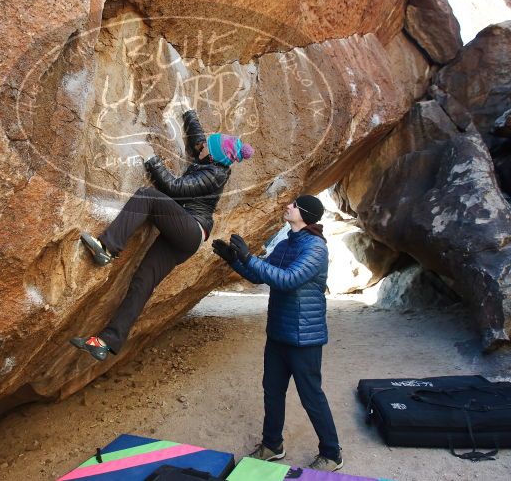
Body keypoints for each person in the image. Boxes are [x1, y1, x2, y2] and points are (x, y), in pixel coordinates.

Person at [70, 109, 254, 361]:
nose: (202, 145)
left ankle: (107, 248)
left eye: (207, 145)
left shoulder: (214, 174)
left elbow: (174, 188)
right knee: (142, 282)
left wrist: (150, 158)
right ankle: (105, 341)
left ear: (212, 154)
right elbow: (199, 139)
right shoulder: (212, 159)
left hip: (190, 229)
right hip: (182, 237)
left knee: (148, 196)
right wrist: (189, 112)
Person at [212, 195, 343, 472]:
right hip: (278, 333)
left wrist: (249, 256)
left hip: (304, 337)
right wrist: (234, 261)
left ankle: (332, 454)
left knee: (311, 396)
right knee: (272, 391)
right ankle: (272, 445)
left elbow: (287, 280)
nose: (288, 206)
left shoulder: (316, 248)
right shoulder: (286, 243)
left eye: (294, 205)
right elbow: (262, 276)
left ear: (304, 214)